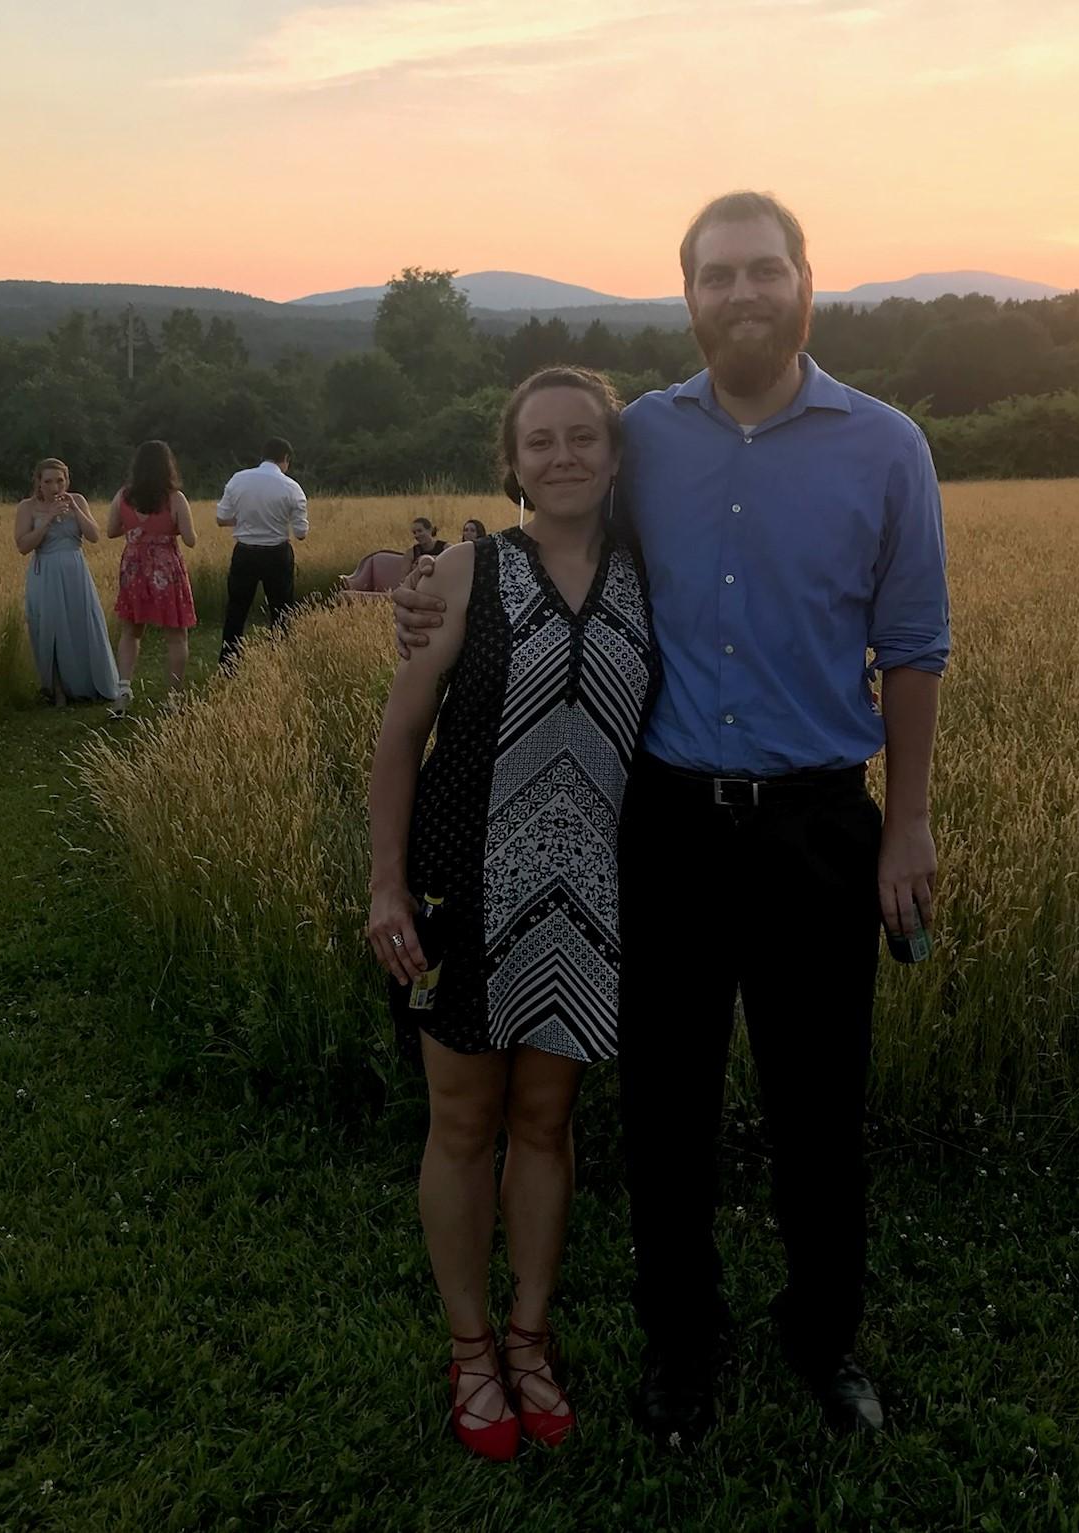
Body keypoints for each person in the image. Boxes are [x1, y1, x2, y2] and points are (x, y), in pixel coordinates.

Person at [395, 192, 950, 1445]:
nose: (744, 294)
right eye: (719, 277)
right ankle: (680, 1354)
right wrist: (434, 588)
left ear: (808, 279)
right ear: (687, 295)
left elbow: (914, 649)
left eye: (766, 270)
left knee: (821, 1108)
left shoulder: (887, 447)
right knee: (667, 1112)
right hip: (669, 829)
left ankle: (823, 1340)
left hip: (821, 828)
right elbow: (554, 521)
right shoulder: (639, 437)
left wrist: (907, 826)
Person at [367, 367, 658, 1461]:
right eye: (541, 442)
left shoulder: (649, 578)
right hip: (462, 888)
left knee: (546, 1124)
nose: (566, 456)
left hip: (588, 902)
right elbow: (400, 739)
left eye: (586, 437)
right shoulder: (467, 573)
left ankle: (530, 1337)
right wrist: (385, 884)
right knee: (462, 1125)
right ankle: (471, 1348)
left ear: (618, 455)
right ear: (512, 461)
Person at [13, 457, 120, 706]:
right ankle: (57, 690)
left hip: (75, 570)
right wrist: (48, 518)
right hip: (46, 572)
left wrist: (77, 510)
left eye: (60, 481)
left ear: (67, 480)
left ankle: (92, 683)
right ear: (39, 483)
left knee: (83, 623)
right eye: (48, 481)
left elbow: (94, 536)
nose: (55, 487)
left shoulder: (78, 500)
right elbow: (22, 546)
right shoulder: (27, 507)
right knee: (51, 628)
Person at [107, 440, 197, 713]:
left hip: (133, 568)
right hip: (165, 570)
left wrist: (137, 531)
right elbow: (191, 539)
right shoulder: (174, 499)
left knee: (131, 632)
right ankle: (172, 698)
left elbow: (111, 531)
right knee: (176, 635)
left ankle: (123, 692)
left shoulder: (123, 496)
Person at [215, 436, 308, 668]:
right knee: (281, 609)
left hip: (244, 552)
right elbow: (301, 533)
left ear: (263, 455)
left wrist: (245, 520)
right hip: (277, 553)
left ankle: (229, 662)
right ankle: (279, 659)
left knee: (236, 609)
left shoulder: (238, 479)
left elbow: (221, 518)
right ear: (285, 459)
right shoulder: (292, 487)